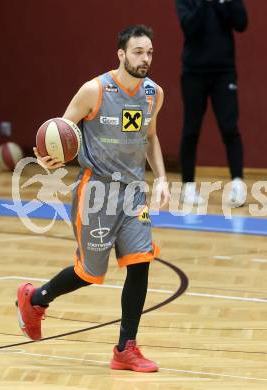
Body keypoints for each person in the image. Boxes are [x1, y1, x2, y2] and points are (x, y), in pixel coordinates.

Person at [16, 25, 170, 373]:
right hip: (96, 192)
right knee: (89, 273)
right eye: (137, 52)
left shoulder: (153, 94)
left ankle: (125, 348)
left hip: (133, 193)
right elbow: (60, 132)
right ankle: (35, 299)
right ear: (120, 54)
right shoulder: (94, 91)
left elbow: (151, 136)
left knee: (140, 261)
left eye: (149, 53)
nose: (145, 59)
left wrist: (161, 178)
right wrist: (47, 156)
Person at [176, 0, 248, 206]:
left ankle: (237, 184)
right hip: (193, 73)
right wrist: (203, 4)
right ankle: (188, 186)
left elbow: (242, 23)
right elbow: (189, 28)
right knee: (191, 130)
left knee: (229, 128)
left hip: (224, 73)